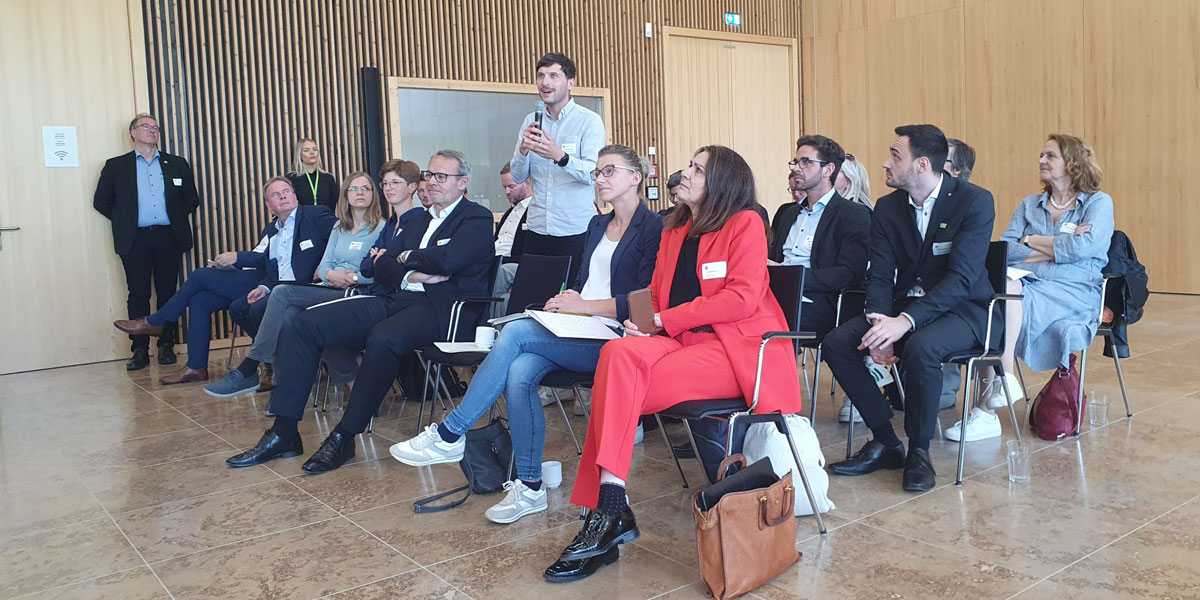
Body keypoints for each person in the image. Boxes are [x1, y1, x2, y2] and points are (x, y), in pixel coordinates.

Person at [541, 145, 804, 583]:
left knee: (617, 388)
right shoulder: (674, 229)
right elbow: (657, 296)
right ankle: (611, 504)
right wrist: (643, 324)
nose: (685, 173)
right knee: (617, 354)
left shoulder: (745, 223)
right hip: (678, 340)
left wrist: (664, 320)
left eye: (697, 169)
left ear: (721, 182)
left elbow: (740, 299)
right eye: (690, 166)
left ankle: (605, 515)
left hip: (735, 350)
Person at [389, 144, 662, 527]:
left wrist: (583, 306)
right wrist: (566, 300)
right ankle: (530, 486)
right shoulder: (597, 225)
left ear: (635, 177)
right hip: (581, 325)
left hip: (617, 335)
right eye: (597, 172)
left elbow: (643, 299)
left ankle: (451, 433)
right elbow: (584, 281)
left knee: (516, 332)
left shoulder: (653, 227)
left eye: (609, 171)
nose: (599, 179)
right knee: (519, 372)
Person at [224, 150, 494, 474]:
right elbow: (380, 266)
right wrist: (411, 271)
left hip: (444, 310)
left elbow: (449, 261)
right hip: (397, 298)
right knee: (305, 322)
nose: (432, 182)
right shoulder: (419, 219)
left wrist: (404, 259)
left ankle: (344, 436)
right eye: (429, 174)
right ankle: (283, 432)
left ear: (463, 182)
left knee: (382, 338)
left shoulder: (475, 218)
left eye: (441, 176)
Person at [824, 124, 995, 492]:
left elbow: (962, 279)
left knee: (921, 347)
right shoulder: (888, 207)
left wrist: (904, 322)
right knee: (838, 342)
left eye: (895, 155)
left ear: (922, 165)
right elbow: (880, 274)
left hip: (964, 311)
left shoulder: (974, 201)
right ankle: (886, 441)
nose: (885, 163)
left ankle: (919, 450)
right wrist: (879, 324)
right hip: (905, 308)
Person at [948, 134, 1114, 441]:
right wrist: (1059, 245)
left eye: (1050, 156)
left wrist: (1031, 240)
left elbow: (1084, 248)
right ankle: (999, 389)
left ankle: (988, 406)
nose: (1041, 160)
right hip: (1028, 283)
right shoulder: (1029, 205)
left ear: (1073, 163)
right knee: (997, 294)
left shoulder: (1098, 203)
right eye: (1041, 155)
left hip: (1076, 290)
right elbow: (1006, 250)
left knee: (998, 303)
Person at [114, 177, 336, 384]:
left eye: (286, 191)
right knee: (201, 300)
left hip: (301, 287)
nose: (283, 196)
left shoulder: (315, 215)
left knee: (201, 276)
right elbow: (261, 258)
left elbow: (341, 235)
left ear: (295, 196)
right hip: (270, 282)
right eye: (276, 195)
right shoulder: (271, 230)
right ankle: (196, 367)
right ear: (269, 205)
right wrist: (231, 265)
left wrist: (325, 265)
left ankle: (158, 322)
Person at [202, 171, 387, 397]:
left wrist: (355, 277)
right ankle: (285, 390)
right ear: (345, 195)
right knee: (290, 315)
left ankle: (249, 368)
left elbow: (382, 272)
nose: (360, 193)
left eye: (366, 188)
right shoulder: (340, 228)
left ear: (374, 194)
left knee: (282, 293)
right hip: (330, 288)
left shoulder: (382, 228)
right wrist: (332, 274)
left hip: (357, 293)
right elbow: (323, 267)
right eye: (354, 189)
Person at [770, 135, 872, 425]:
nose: (796, 168)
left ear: (828, 170)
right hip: (775, 295)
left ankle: (777, 409)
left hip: (820, 302)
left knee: (767, 323)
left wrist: (793, 278)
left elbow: (849, 274)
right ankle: (736, 406)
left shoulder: (853, 215)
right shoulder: (787, 213)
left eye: (806, 162)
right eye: (795, 161)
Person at [93, 113, 200, 371]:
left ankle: (166, 345)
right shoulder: (117, 166)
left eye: (156, 127)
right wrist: (126, 220)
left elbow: (191, 199)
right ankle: (139, 349)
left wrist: (173, 218)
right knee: (138, 293)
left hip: (168, 237)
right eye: (146, 126)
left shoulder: (176, 164)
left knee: (168, 292)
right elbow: (101, 201)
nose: (153, 130)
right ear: (133, 133)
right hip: (135, 238)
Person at [510, 52, 606, 285]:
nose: (545, 82)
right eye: (541, 76)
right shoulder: (531, 120)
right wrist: (523, 151)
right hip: (537, 228)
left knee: (571, 297)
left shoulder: (589, 121)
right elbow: (518, 176)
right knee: (534, 297)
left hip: (575, 230)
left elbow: (593, 175)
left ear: (570, 83)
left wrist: (560, 157)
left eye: (553, 76)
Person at [491, 162, 533, 314]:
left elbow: (529, 252)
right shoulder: (509, 212)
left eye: (511, 186)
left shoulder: (535, 213)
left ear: (526, 183)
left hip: (512, 264)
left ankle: (485, 317)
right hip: (494, 261)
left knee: (501, 272)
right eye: (504, 187)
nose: (507, 192)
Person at [286, 138, 338, 209]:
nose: (312, 153)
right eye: (306, 150)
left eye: (315, 149)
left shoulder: (328, 178)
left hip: (324, 216)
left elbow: (332, 205)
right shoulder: (291, 178)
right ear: (299, 155)